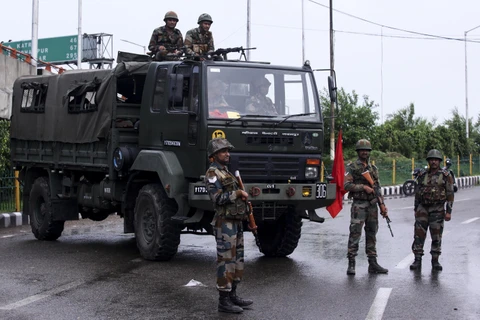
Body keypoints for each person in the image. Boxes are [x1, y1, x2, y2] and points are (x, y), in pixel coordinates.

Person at [204, 138, 253, 314]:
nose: (227, 154)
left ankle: (233, 295)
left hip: (235, 222)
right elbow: (217, 198)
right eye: (223, 151)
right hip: (224, 224)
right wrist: (237, 193)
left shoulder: (226, 172)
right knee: (226, 261)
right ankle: (223, 301)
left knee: (237, 259)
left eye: (227, 151)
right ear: (215, 155)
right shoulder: (212, 174)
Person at [344, 139, 389, 275]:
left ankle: (373, 263)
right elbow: (346, 186)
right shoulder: (352, 167)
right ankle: (351, 263)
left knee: (372, 234)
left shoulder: (373, 169)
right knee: (355, 233)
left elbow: (377, 188)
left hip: (372, 205)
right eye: (362, 150)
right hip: (359, 204)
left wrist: (382, 205)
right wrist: (363, 187)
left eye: (367, 150)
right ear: (358, 152)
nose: (365, 152)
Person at [409, 149, 454, 271]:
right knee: (418, 235)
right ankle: (417, 260)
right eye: (431, 160)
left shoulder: (446, 176)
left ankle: (435, 261)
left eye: (436, 160)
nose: (433, 162)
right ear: (428, 161)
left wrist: (448, 211)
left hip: (437, 210)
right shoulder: (422, 175)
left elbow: (450, 194)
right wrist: (415, 208)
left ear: (439, 161)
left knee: (436, 236)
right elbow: (417, 193)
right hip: (422, 209)